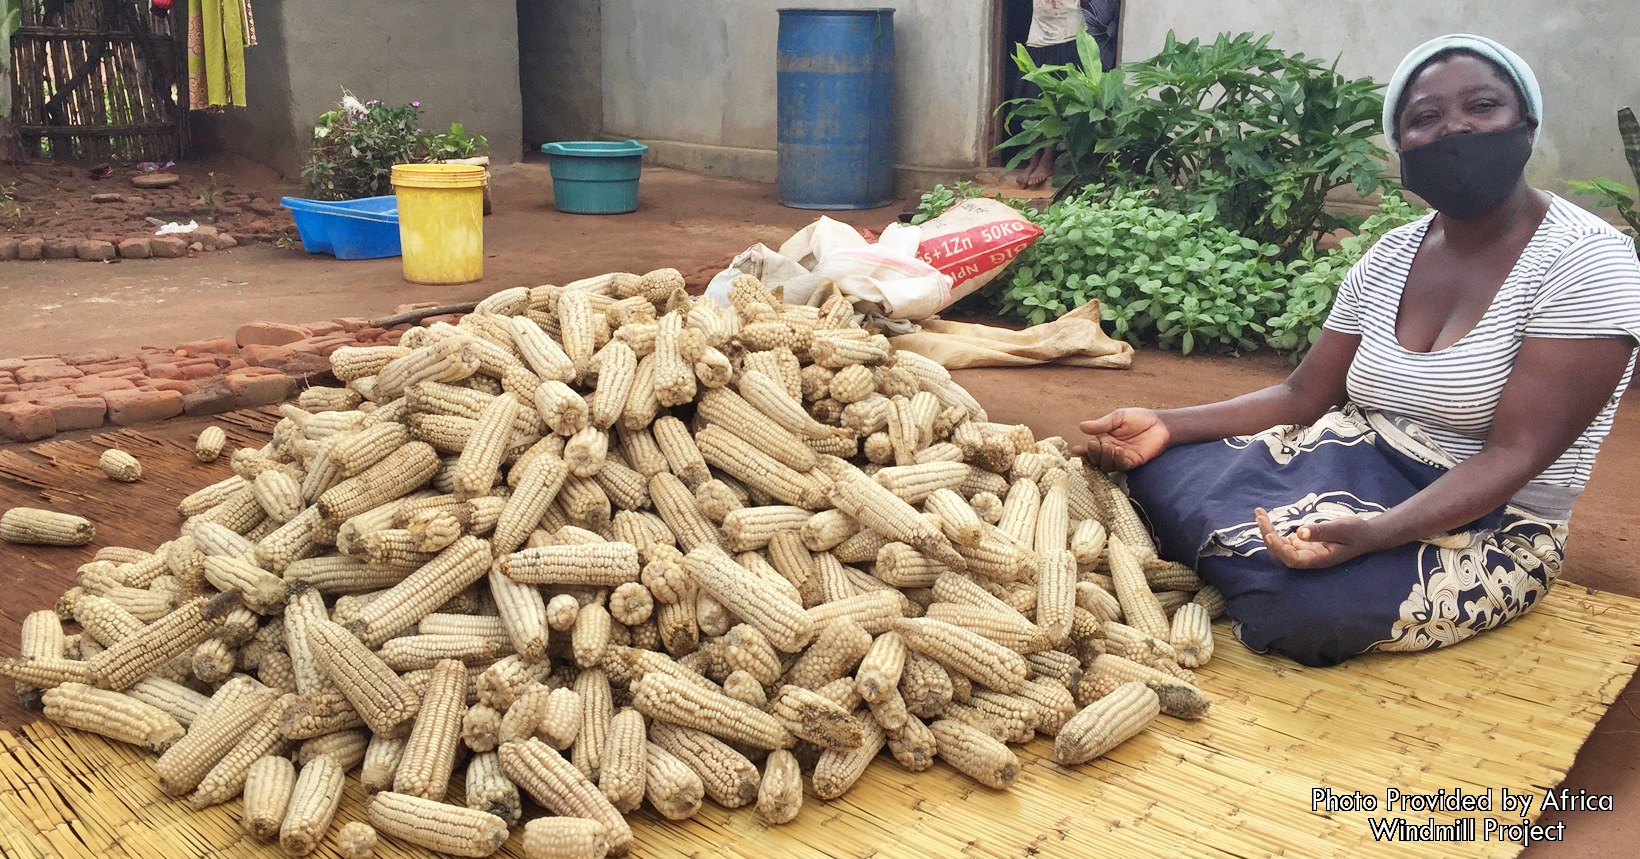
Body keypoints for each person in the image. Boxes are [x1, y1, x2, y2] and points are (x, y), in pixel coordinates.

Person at [1072, 34, 1640, 667]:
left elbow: (1518, 452)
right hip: (1351, 460)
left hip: (1491, 522)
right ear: (1403, 149)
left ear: (1526, 126)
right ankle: (1261, 560)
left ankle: (1265, 565)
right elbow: (1304, 394)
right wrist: (1168, 424)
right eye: (1425, 117)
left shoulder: (1588, 261)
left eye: (1482, 107)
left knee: (1309, 614)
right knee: (1152, 468)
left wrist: (1375, 535)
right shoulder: (1393, 253)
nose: (1454, 129)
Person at [1017, 0, 1087, 189]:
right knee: (1033, 99)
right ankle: (1033, 158)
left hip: (1068, 35)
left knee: (1057, 103)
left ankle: (1047, 160)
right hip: (1038, 36)